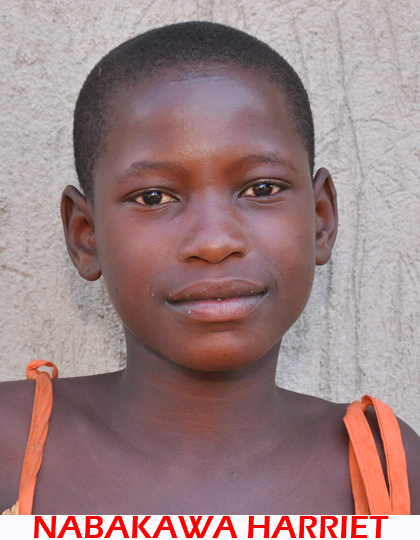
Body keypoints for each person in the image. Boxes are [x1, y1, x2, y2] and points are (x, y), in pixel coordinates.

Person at [1, 21, 419, 516]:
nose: (215, 242)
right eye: (153, 197)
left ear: (321, 220)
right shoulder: (11, 447)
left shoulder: (387, 471)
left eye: (261, 189)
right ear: (85, 235)